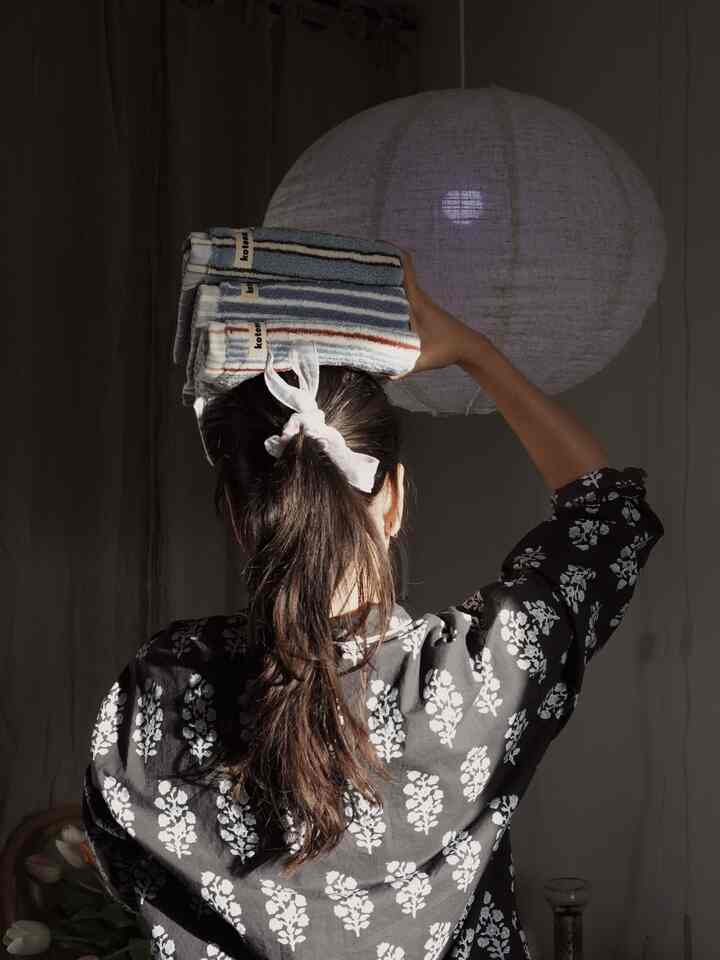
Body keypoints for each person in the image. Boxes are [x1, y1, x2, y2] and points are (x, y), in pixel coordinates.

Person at [81, 250, 664, 960]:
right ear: (393, 501)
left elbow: (124, 867)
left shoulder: (161, 684)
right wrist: (472, 352)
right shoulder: (476, 679)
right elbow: (608, 514)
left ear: (238, 517)